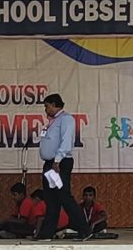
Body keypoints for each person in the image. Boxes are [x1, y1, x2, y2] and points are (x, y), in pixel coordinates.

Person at [36, 94, 92, 238]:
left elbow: (66, 141)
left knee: (63, 197)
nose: (45, 109)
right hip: (50, 164)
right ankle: (47, 233)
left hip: (59, 163)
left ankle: (84, 229)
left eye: (47, 106)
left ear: (54, 104)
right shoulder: (52, 121)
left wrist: (57, 160)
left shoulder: (66, 119)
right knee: (51, 198)